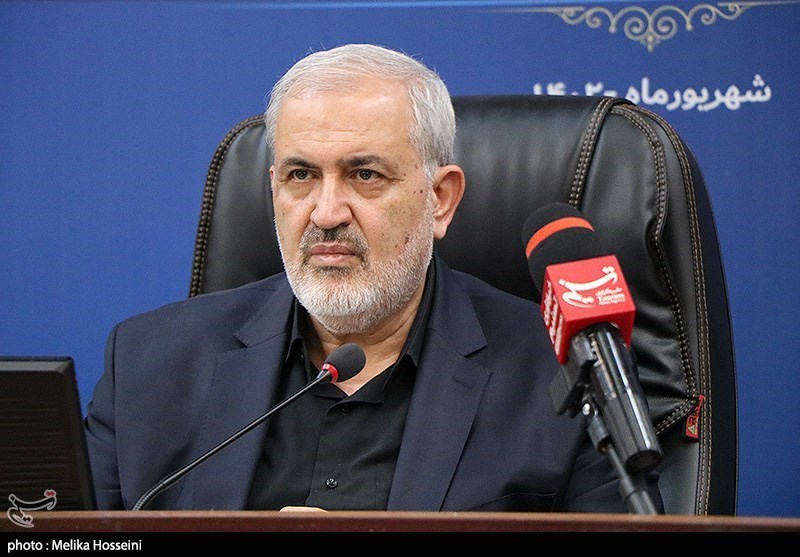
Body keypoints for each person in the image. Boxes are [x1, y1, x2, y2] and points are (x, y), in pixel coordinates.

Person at [85, 43, 662, 513]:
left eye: (364, 175)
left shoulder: (562, 373)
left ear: (440, 199)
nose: (326, 213)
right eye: (300, 176)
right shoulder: (147, 365)